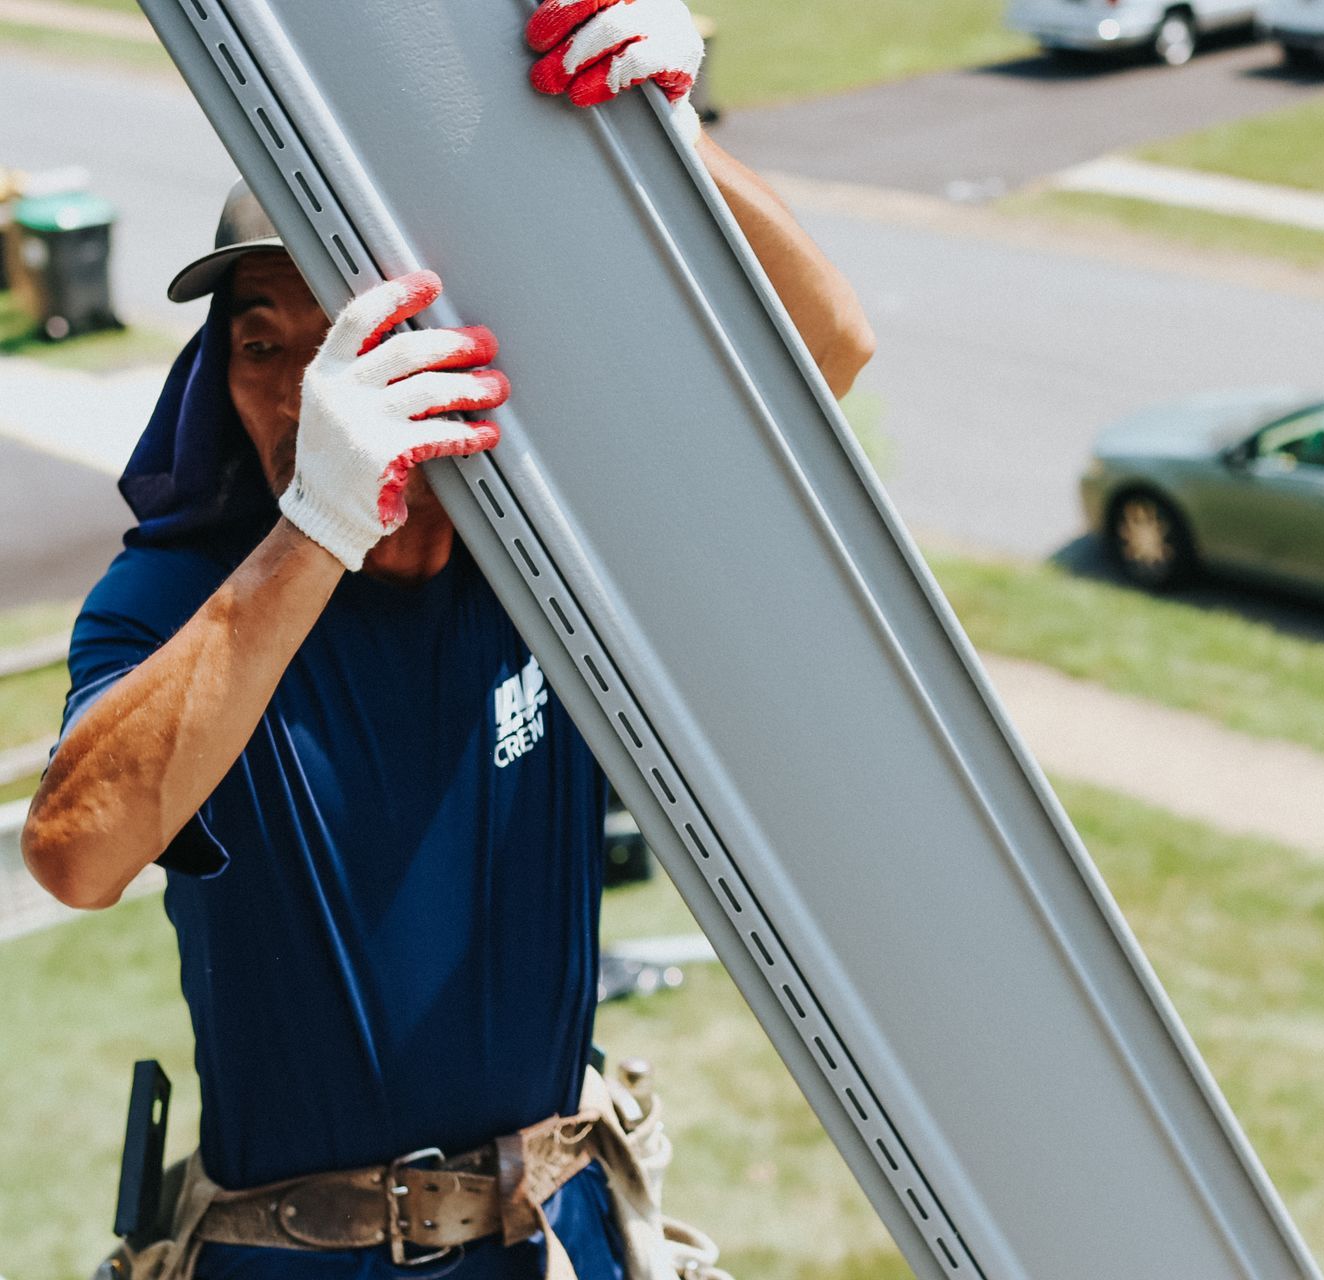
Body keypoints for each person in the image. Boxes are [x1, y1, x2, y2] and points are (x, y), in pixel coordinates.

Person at [21, 2, 873, 1277]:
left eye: (349, 340)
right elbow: (75, 855)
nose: (311, 387)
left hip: (552, 1230)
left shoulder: (552, 550)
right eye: (264, 344)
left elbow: (830, 355)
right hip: (291, 1253)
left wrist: (668, 146)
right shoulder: (185, 594)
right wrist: (314, 525)